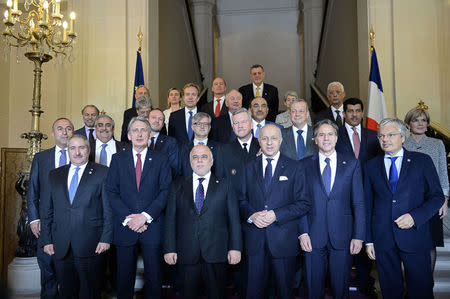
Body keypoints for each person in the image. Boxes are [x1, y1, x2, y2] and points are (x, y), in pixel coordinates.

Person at [364, 118, 445, 299]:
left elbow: (437, 197)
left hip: (415, 236)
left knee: (421, 291)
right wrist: (368, 240)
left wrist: (415, 217)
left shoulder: (422, 161)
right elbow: (367, 205)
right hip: (383, 238)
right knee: (390, 291)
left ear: (402, 137)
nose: (385, 139)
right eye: (381, 136)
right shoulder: (370, 166)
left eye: (390, 135)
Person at [239, 124, 310, 299]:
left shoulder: (295, 167)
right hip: (255, 242)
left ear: (281, 140)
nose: (269, 142)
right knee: (253, 293)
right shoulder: (248, 167)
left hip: (284, 242)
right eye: (264, 138)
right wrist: (252, 215)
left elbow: (303, 202)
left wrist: (276, 215)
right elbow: (240, 200)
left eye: (273, 138)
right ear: (259, 141)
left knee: (285, 292)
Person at [163, 145, 242, 299]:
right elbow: (170, 220)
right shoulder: (177, 185)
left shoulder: (226, 185)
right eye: (195, 157)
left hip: (217, 253)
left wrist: (235, 248)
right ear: (190, 161)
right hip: (186, 254)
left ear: (212, 161)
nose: (199, 160)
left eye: (204, 156)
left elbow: (234, 220)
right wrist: (169, 248)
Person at [106, 116, 172, 299]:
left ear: (150, 135)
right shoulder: (117, 159)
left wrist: (145, 216)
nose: (139, 134)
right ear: (128, 135)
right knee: (124, 279)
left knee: (154, 278)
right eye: (135, 130)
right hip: (125, 228)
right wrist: (130, 218)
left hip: (153, 226)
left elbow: (166, 191)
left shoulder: (161, 159)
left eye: (144, 130)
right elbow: (111, 191)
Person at [298, 119, 365, 299]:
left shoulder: (352, 163)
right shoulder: (303, 165)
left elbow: (358, 202)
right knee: (313, 288)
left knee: (340, 288)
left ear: (336, 138)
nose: (326, 138)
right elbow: (300, 203)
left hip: (343, 236)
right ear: (315, 139)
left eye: (330, 134)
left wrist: (358, 235)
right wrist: (303, 232)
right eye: (321, 134)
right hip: (312, 236)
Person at [40, 134, 112, 299]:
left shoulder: (103, 172)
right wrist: (47, 240)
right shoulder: (54, 175)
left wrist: (106, 238)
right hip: (61, 244)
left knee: (90, 292)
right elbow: (47, 210)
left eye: (82, 147)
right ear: (68, 150)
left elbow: (109, 209)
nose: (77, 152)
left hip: (92, 244)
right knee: (66, 292)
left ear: (88, 150)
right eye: (73, 148)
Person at [335, 97, 380, 295]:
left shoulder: (374, 136)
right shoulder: (335, 135)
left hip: (368, 197)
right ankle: (340, 283)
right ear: (344, 113)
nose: (354, 114)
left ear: (362, 113)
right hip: (342, 199)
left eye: (357, 111)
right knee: (343, 241)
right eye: (350, 111)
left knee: (365, 237)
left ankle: (365, 282)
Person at [27, 117, 74, 299]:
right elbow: (33, 191)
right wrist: (34, 218)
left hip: (73, 224)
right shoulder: (41, 158)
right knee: (48, 271)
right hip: (46, 224)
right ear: (53, 134)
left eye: (69, 128)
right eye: (60, 128)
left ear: (73, 133)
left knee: (71, 274)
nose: (65, 132)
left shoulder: (80, 155)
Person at [403, 107, 449, 274]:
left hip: (431, 201)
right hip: (406, 201)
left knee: (430, 244)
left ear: (428, 124)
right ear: (408, 124)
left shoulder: (437, 144)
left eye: (423, 120)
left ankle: (426, 286)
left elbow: (443, 173)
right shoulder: (402, 144)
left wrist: (444, 199)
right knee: (408, 245)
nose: (420, 123)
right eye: (416, 120)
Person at [178, 112, 221, 177]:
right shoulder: (182, 148)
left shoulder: (219, 148)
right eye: (198, 124)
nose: (202, 127)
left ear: (209, 127)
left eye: (205, 124)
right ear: (192, 127)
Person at [148, 108, 179, 177]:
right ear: (147, 120)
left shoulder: (171, 142)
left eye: (160, 119)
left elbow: (173, 168)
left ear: (162, 125)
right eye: (154, 117)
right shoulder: (138, 140)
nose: (157, 121)